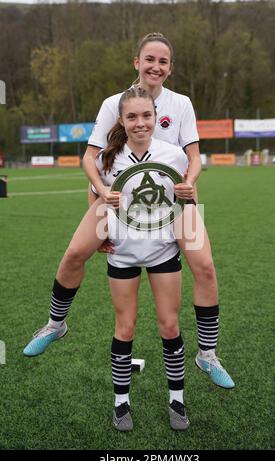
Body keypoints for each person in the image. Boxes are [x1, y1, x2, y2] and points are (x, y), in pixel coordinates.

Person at [23, 32, 234, 390]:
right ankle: (56, 325)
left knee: (206, 267)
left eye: (163, 61)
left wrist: (190, 180)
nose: (156, 66)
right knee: (75, 253)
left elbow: (195, 157)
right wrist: (101, 194)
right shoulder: (112, 104)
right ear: (137, 62)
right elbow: (91, 158)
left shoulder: (181, 104)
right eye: (149, 59)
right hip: (119, 196)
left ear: (170, 68)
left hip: (175, 198)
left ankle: (207, 354)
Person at [100, 86, 189, 430]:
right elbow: (94, 198)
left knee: (169, 325)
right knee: (125, 327)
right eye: (132, 117)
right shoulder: (106, 160)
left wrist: (188, 235)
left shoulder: (174, 155)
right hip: (121, 254)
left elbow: (186, 200)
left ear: (156, 117)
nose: (140, 123)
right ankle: (121, 404)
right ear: (122, 120)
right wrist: (98, 235)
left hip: (164, 251)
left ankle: (177, 400)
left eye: (146, 115)